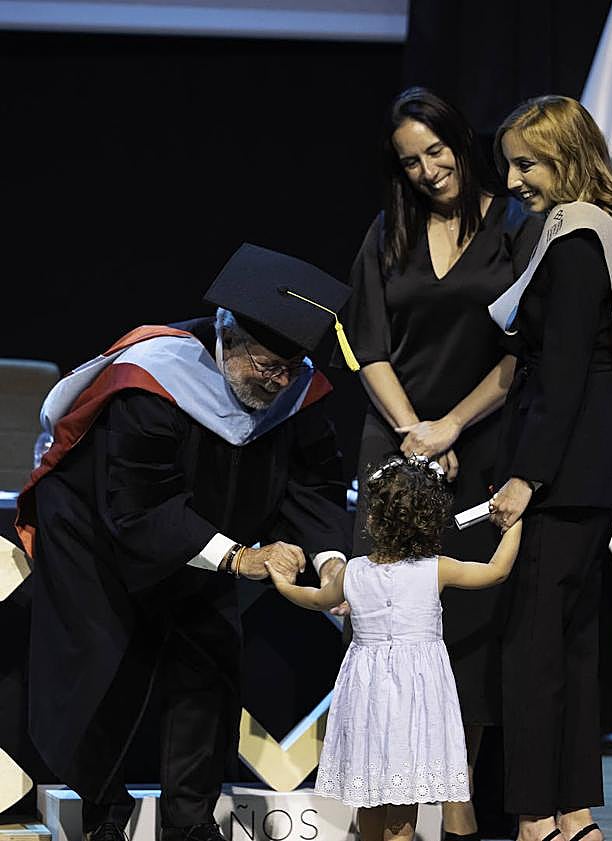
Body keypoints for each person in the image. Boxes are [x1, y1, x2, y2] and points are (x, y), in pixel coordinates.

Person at [15, 243, 356, 841]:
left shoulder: (295, 391)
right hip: (103, 536)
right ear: (228, 331)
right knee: (104, 670)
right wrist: (238, 554)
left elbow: (315, 482)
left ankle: (190, 823)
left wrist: (331, 563)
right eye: (265, 366)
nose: (276, 383)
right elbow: (139, 506)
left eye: (287, 369)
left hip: (204, 542)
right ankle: (103, 812)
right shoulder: (153, 379)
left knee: (209, 666)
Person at [337, 85, 543, 840]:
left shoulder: (514, 225)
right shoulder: (387, 229)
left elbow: (523, 350)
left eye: (436, 150)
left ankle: (458, 814)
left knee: (470, 633)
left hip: (483, 441)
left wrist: (451, 425)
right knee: (391, 635)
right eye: (410, 160)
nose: (427, 169)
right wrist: (415, 434)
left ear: (460, 139)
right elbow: (366, 343)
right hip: (395, 447)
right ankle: (384, 819)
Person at [487, 95, 612, 841]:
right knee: (569, 642)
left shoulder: (573, 239)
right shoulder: (589, 233)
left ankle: (539, 816)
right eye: (509, 162)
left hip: (562, 466)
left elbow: (566, 367)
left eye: (525, 163)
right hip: (587, 463)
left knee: (535, 645)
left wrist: (523, 475)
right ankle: (571, 814)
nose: (511, 180)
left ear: (566, 159)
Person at [268, 454, 522, 841]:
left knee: (370, 800)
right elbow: (496, 571)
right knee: (401, 811)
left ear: (373, 518)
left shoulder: (354, 571)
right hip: (415, 700)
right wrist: (515, 523)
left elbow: (316, 597)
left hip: (367, 698)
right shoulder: (436, 568)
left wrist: (284, 585)